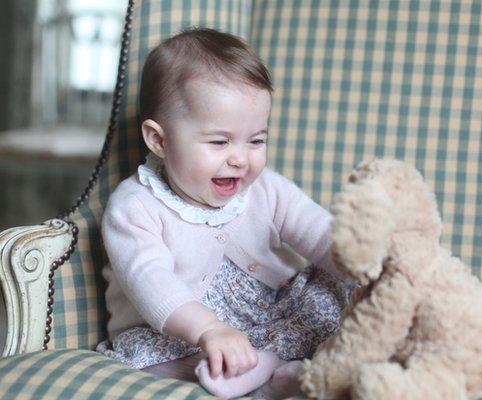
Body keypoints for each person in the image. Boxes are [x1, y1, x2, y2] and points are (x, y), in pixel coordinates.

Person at [95, 27, 354, 399]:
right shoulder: (134, 206)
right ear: (160, 140)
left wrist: (362, 264)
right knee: (152, 358)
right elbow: (149, 280)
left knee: (332, 292)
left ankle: (273, 365)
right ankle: (254, 373)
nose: (239, 158)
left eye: (256, 140)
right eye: (219, 141)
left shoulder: (265, 189)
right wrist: (209, 330)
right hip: (181, 330)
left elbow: (318, 231)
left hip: (267, 312)